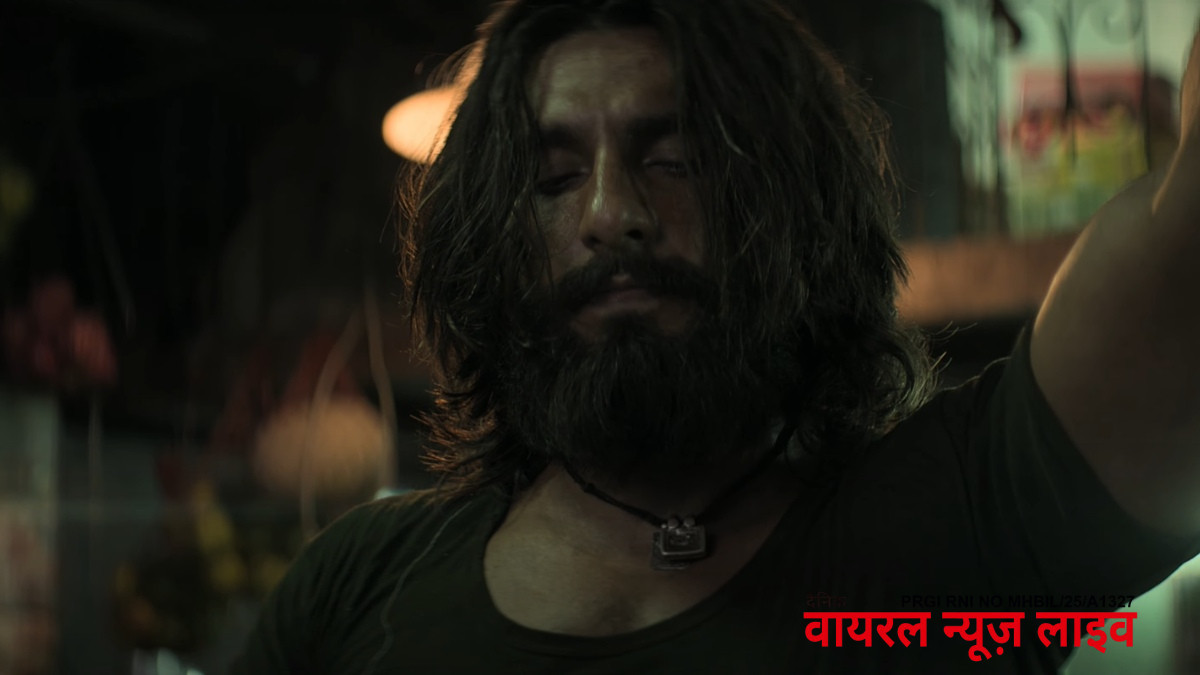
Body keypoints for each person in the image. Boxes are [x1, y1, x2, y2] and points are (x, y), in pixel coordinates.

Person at [231, 0, 1200, 672]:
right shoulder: (362, 579)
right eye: (554, 178)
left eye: (678, 159)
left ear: (794, 206)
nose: (612, 214)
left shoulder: (973, 514)